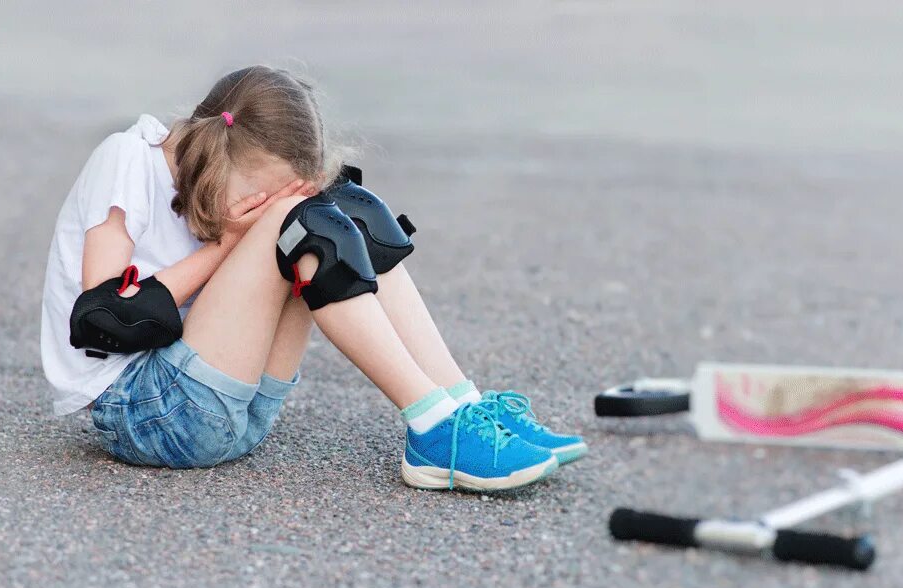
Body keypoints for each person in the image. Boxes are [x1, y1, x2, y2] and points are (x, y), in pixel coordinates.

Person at [39, 66, 586, 491]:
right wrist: (229, 244)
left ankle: (461, 407)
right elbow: (103, 318)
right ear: (220, 155)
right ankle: (433, 425)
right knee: (300, 226)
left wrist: (260, 222)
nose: (260, 209)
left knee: (344, 211)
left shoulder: (221, 177)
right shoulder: (128, 160)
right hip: (150, 415)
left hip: (238, 409)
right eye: (259, 194)